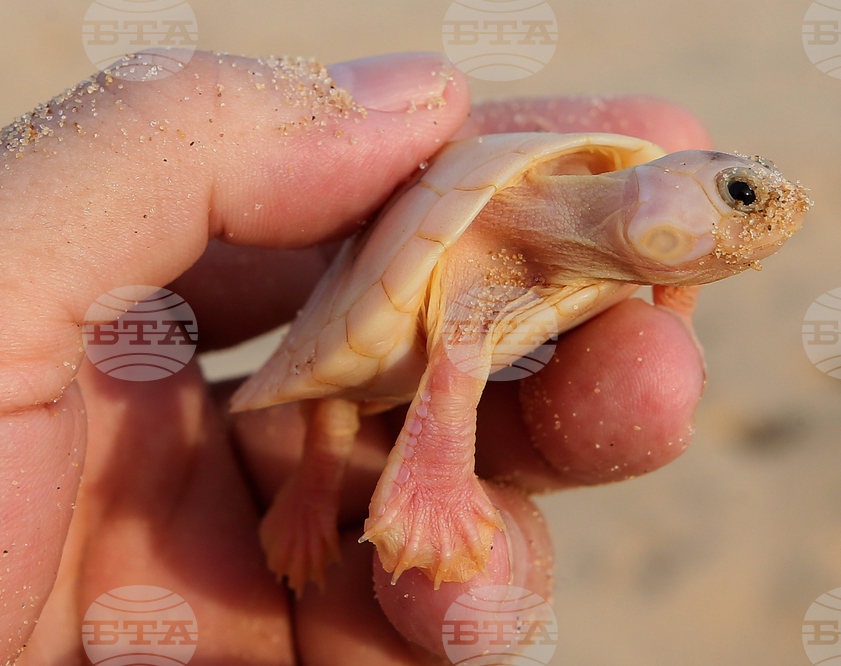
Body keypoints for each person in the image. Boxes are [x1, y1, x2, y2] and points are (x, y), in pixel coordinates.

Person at [0, 51, 709, 664]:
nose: (764, 219)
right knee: (341, 411)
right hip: (381, 318)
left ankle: (318, 501)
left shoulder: (624, 229)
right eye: (739, 194)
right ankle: (315, 499)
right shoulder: (538, 202)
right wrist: (438, 484)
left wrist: (676, 296)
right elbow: (456, 357)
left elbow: (671, 256)